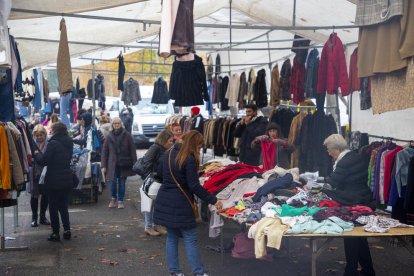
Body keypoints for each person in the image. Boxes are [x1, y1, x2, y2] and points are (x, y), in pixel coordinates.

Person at [154, 130, 223, 276]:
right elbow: (194, 186)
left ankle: (175, 272)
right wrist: (213, 199)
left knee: (172, 237)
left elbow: (160, 174)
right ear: (193, 144)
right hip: (181, 203)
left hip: (165, 199)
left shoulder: (168, 153)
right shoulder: (188, 158)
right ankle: (198, 272)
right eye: (199, 146)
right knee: (190, 237)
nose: (199, 149)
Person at [322, 134, 375, 276]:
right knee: (359, 238)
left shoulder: (344, 161)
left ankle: (351, 271)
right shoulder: (355, 156)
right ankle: (367, 271)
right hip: (362, 198)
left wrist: (317, 185)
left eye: (329, 149)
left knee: (351, 236)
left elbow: (333, 182)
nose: (328, 152)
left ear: (336, 149)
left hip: (354, 201)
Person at [33, 122, 73, 242]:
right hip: (66, 178)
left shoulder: (53, 143)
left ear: (54, 131)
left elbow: (43, 161)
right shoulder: (69, 142)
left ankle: (55, 233)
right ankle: (67, 230)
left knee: (53, 207)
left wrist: (36, 154)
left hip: (54, 180)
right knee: (63, 206)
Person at [140, 129, 174, 236]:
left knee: (158, 203)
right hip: (152, 181)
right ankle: (148, 226)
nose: (172, 143)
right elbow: (146, 163)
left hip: (160, 180)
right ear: (164, 140)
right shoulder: (155, 148)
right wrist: (149, 178)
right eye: (170, 141)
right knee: (149, 203)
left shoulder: (166, 149)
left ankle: (157, 224)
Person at [101, 117, 137, 209]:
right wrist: (103, 165)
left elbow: (132, 150)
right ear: (112, 125)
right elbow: (104, 151)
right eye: (115, 123)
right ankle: (113, 198)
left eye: (118, 123)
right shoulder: (109, 136)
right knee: (112, 182)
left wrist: (135, 164)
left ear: (121, 124)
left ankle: (120, 200)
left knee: (122, 183)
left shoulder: (127, 135)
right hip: (112, 163)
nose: (116, 125)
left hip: (124, 163)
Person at [30, 125, 50, 227]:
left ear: (45, 134)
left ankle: (42, 217)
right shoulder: (31, 145)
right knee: (34, 195)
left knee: (45, 194)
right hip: (35, 173)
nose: (39, 137)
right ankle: (34, 218)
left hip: (46, 172)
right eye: (37, 135)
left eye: (41, 135)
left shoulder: (49, 144)